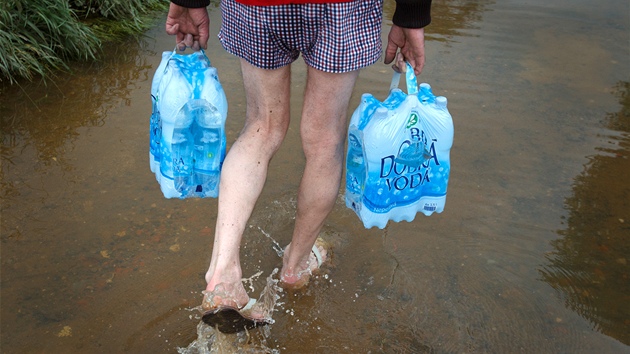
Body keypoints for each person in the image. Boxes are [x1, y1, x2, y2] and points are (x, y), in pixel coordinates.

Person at [165, 0, 432, 333]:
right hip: (342, 7)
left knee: (261, 128)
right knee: (324, 143)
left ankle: (223, 276)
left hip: (259, 5)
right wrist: (412, 14)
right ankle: (295, 267)